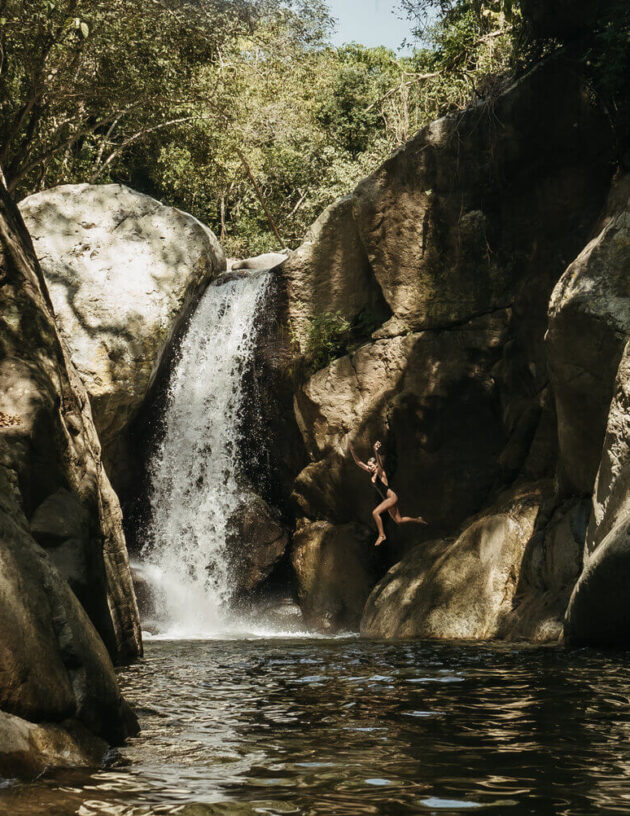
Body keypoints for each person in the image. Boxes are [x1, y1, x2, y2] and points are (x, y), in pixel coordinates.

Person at [349, 440, 427, 547]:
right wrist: (352, 450)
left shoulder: (381, 472)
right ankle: (418, 519)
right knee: (399, 521)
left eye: (371, 465)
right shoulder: (372, 474)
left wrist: (375, 450)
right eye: (369, 466)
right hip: (387, 500)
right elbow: (358, 462)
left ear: (375, 465)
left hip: (391, 497)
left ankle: (382, 535)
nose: (370, 467)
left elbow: (380, 463)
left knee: (375, 513)